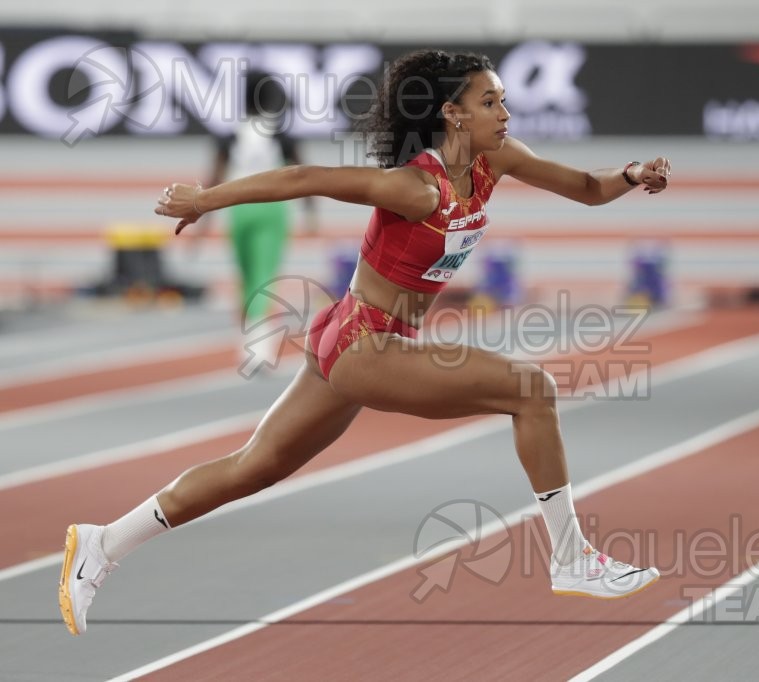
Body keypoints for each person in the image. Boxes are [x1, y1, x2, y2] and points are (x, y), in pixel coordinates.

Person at [58, 50, 671, 636]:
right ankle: (571, 557)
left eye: (504, 101)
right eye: (491, 102)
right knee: (531, 391)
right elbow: (305, 177)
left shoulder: (499, 158)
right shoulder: (415, 189)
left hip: (353, 335)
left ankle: (103, 542)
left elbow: (589, 189)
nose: (505, 114)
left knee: (255, 467)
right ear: (453, 114)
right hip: (364, 344)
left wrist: (632, 175)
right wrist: (206, 199)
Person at [202, 70, 318, 365]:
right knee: (264, 277)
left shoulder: (230, 136)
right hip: (271, 209)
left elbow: (213, 178)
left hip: (239, 209)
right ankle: (259, 347)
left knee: (244, 276)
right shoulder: (281, 136)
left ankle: (246, 342)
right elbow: (303, 174)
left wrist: (200, 216)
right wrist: (309, 211)